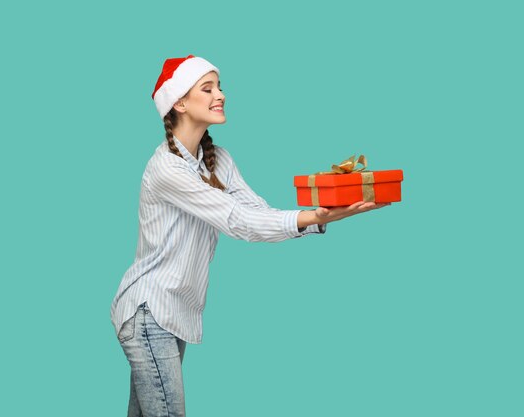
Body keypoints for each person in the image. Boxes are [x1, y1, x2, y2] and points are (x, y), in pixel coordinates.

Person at [110, 54, 389, 416]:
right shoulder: (166, 168)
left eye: (220, 86)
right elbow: (236, 219)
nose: (220, 94)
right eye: (207, 88)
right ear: (179, 102)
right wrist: (310, 217)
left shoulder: (218, 159)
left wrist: (323, 216)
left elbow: (258, 214)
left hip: (174, 313)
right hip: (149, 312)